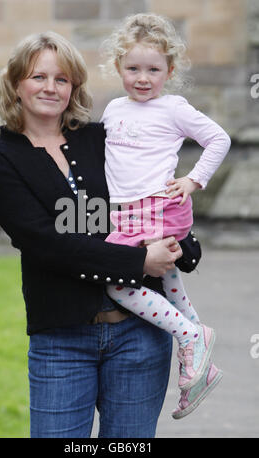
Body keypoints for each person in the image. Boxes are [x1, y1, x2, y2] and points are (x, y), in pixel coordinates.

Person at [0, 31, 186, 438]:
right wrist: (137, 262)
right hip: (61, 341)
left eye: (62, 78)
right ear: (17, 83)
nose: (51, 88)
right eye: (39, 77)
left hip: (139, 336)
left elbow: (140, 201)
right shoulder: (1, 160)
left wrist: (182, 245)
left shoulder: (100, 139)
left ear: (73, 86)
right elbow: (43, 243)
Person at [100, 13, 231, 419]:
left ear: (169, 71)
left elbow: (218, 138)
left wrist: (193, 180)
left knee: (116, 284)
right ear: (118, 66)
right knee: (168, 281)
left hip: (159, 208)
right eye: (133, 68)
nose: (143, 77)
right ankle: (199, 368)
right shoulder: (113, 108)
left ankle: (190, 335)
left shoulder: (173, 107)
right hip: (128, 214)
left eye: (153, 69)